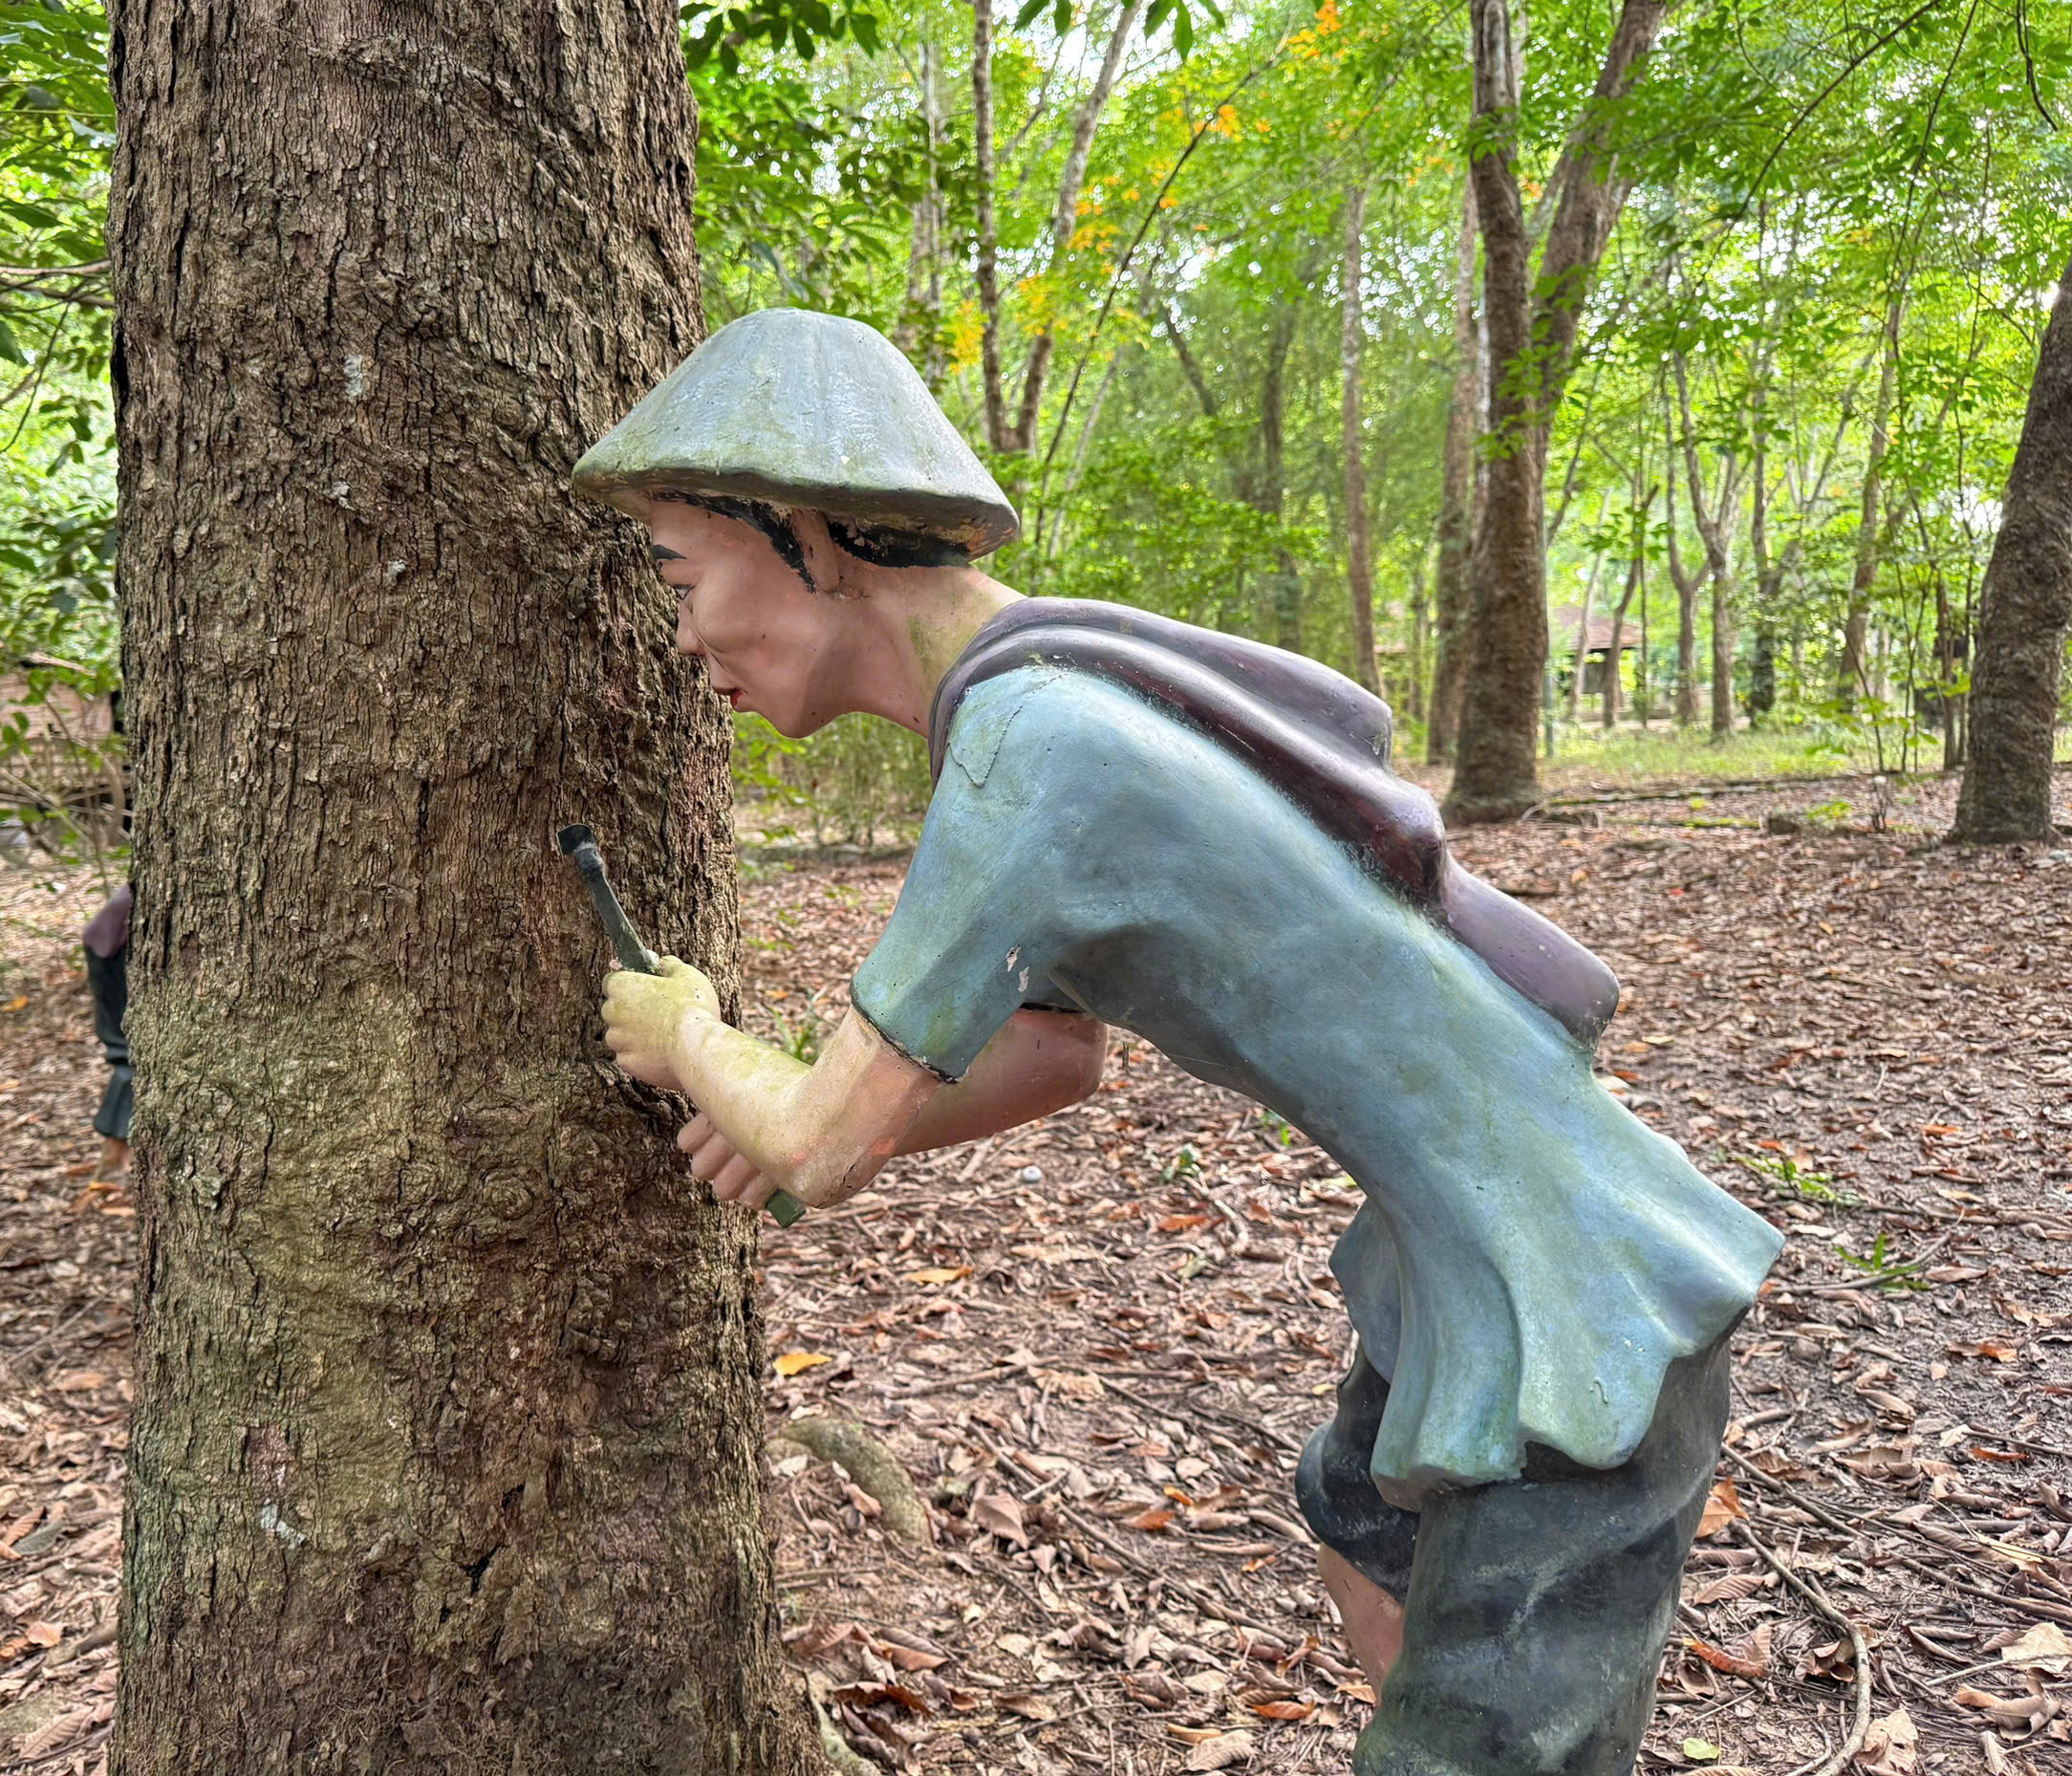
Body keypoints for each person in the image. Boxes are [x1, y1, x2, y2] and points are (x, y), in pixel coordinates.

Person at [573, 308, 1784, 1776]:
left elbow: (819, 1143)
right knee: (1364, 1540)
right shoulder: (1048, 697)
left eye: (684, 575)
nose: (686, 633)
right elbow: (1049, 1057)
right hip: (1457, 1256)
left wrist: (694, 1034)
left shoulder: (1036, 750)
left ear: (811, 543)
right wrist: (788, 1112)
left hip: (1569, 1294)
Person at [83, 883, 133, 1177]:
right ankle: (114, 1162)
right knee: (128, 1053)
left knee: (127, 1052)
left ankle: (116, 1158)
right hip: (110, 950)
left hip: (107, 943)